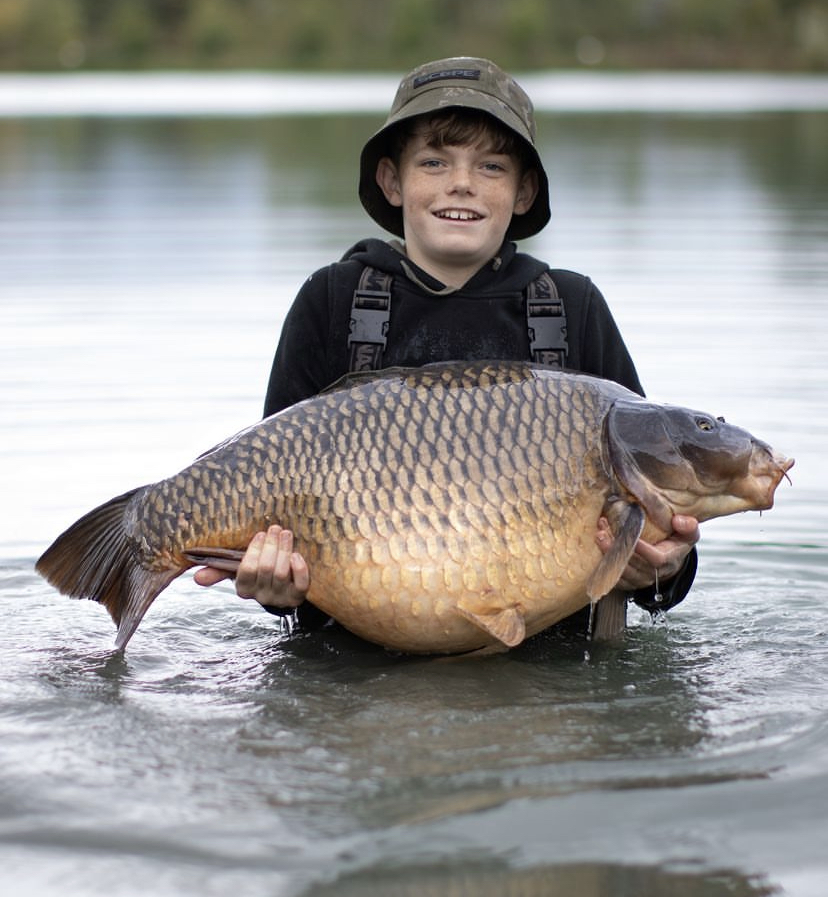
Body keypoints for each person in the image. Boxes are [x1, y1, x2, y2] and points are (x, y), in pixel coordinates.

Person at [194, 56, 699, 633]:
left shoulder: (571, 309)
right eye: (434, 162)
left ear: (524, 190)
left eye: (491, 166)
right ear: (392, 179)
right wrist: (273, 588)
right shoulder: (331, 301)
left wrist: (662, 570)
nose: (462, 183)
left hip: (545, 676)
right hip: (360, 679)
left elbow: (660, 539)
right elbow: (274, 503)